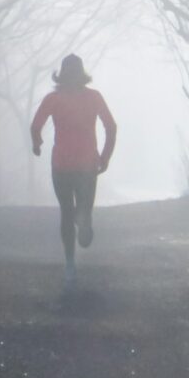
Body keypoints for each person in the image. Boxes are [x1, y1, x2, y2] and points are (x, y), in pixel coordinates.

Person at [30, 54, 117, 278]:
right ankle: (81, 235)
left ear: (62, 75)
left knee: (67, 213)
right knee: (79, 211)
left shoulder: (53, 99)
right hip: (86, 165)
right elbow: (111, 127)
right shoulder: (93, 97)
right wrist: (105, 156)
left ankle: (70, 261)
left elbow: (35, 126)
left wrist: (37, 143)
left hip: (63, 165)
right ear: (82, 75)